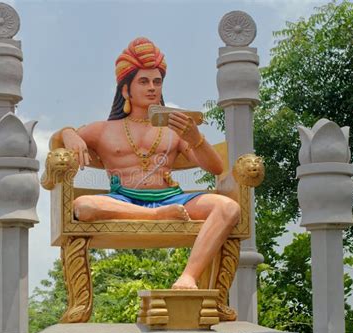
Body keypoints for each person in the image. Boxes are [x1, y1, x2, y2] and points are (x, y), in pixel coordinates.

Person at [60, 37, 240, 289]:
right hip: (124, 201)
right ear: (126, 90)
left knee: (228, 208)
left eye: (157, 81)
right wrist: (68, 133)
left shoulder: (175, 129)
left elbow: (216, 168)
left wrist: (195, 137)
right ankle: (153, 214)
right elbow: (59, 141)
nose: (152, 87)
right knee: (84, 205)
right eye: (143, 81)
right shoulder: (103, 130)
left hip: (172, 199)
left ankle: (188, 277)